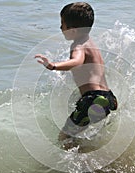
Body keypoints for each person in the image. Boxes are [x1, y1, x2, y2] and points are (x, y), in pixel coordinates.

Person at [34, 2, 117, 150]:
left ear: (72, 30)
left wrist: (53, 66)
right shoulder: (91, 44)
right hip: (108, 97)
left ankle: (84, 172)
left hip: (93, 99)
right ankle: (94, 163)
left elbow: (77, 61)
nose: (60, 28)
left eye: (62, 24)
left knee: (64, 137)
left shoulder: (78, 46)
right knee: (78, 135)